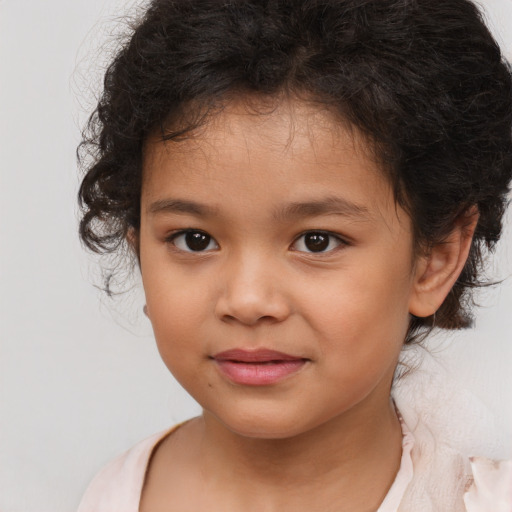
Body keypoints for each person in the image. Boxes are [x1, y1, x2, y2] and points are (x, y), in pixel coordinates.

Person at [76, 0, 512, 510]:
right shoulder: (112, 495)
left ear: (434, 258)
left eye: (316, 241)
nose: (247, 300)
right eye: (194, 239)